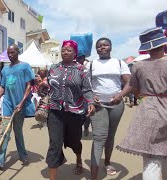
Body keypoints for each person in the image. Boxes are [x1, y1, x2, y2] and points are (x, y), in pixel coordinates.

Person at [117, 27, 167, 179]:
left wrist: (119, 95)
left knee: (151, 154)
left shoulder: (138, 65)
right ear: (163, 44)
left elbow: (132, 86)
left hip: (147, 110)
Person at [46, 40, 95, 179]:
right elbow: (48, 86)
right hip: (55, 111)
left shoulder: (81, 70)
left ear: (75, 53)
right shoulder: (53, 68)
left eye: (69, 50)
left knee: (74, 141)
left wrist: (90, 102)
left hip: (75, 112)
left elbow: (87, 89)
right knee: (55, 144)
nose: (65, 52)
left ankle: (78, 158)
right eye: (63, 50)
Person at [85, 38, 131, 179]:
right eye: (99, 46)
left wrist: (120, 95)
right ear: (96, 49)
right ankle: (94, 174)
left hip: (116, 106)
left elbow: (130, 82)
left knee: (110, 136)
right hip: (98, 106)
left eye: (105, 45)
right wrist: (92, 96)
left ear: (111, 47)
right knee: (99, 137)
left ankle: (107, 162)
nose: (102, 47)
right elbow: (85, 84)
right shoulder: (91, 65)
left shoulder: (119, 63)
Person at [0, 44, 35, 170]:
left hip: (19, 104)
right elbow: (2, 87)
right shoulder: (5, 70)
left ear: (17, 52)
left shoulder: (25, 67)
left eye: (12, 53)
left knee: (18, 131)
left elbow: (29, 86)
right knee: (4, 132)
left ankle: (23, 154)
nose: (10, 55)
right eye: (8, 53)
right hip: (8, 104)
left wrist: (21, 102)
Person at [76, 55, 91, 136]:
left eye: (81, 58)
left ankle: (86, 127)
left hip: (87, 94)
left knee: (87, 113)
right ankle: (77, 129)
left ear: (84, 59)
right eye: (78, 58)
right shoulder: (74, 67)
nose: (79, 59)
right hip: (77, 96)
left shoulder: (88, 67)